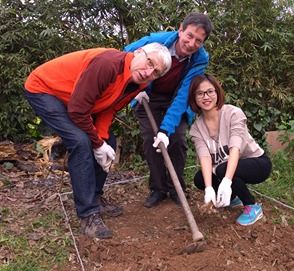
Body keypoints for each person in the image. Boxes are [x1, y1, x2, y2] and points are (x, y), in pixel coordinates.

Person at [24, 44, 172, 239]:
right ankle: (88, 214)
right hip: (45, 89)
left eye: (156, 72)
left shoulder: (139, 83)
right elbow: (78, 110)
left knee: (109, 139)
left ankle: (95, 195)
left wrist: (102, 140)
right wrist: (96, 143)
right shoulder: (108, 64)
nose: (148, 72)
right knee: (80, 141)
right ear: (138, 53)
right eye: (149, 62)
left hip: (74, 99)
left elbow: (108, 109)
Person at [124, 12, 213, 208]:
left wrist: (165, 130)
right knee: (150, 139)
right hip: (147, 95)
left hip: (175, 99)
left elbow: (183, 95)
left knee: (178, 139)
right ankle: (158, 189)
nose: (191, 44)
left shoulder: (200, 59)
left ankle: (176, 188)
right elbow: (125, 57)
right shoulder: (156, 42)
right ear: (180, 29)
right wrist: (135, 90)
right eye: (189, 36)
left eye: (198, 41)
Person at [188, 74, 272, 226]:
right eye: (200, 93)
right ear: (194, 98)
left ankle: (252, 206)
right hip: (226, 167)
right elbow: (205, 157)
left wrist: (226, 182)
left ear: (217, 92)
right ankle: (233, 198)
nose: (205, 97)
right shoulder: (196, 128)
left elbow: (235, 148)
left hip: (256, 163)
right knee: (200, 178)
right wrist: (208, 188)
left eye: (210, 91)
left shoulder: (233, 113)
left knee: (222, 170)